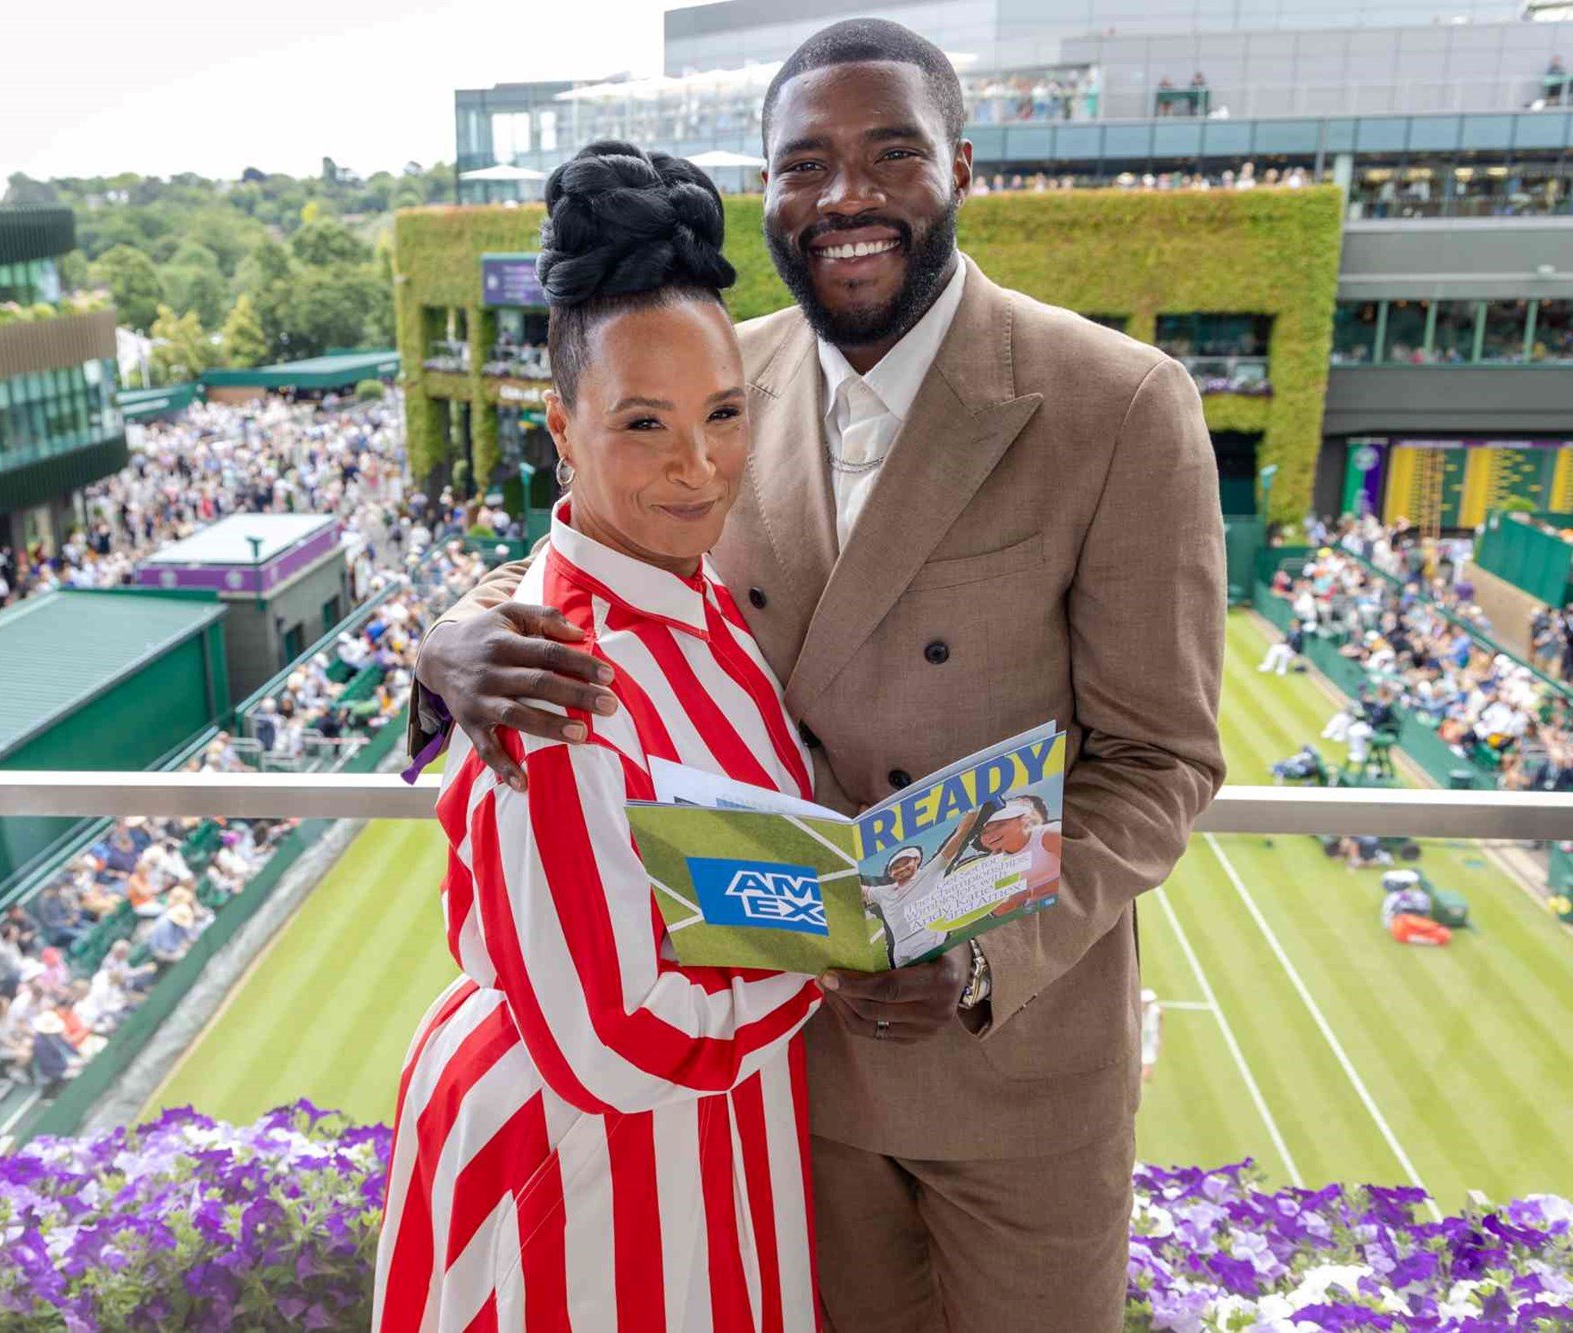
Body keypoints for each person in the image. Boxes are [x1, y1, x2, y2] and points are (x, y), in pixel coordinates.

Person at [409, 21, 1224, 1329]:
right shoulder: (728, 377)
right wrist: (448, 638)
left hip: (1010, 1067)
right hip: (799, 1083)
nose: (848, 193)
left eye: (892, 151)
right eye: (807, 164)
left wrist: (977, 959)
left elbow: (1162, 762)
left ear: (961, 167)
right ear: (770, 196)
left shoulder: (1119, 404)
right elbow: (606, 534)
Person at [375, 142, 824, 1332]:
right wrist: (844, 952)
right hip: (589, 1189)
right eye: (642, 424)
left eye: (722, 414)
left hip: (703, 1155)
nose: (697, 465)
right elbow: (616, 1041)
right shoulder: (558, 679)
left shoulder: (697, 590)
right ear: (561, 429)